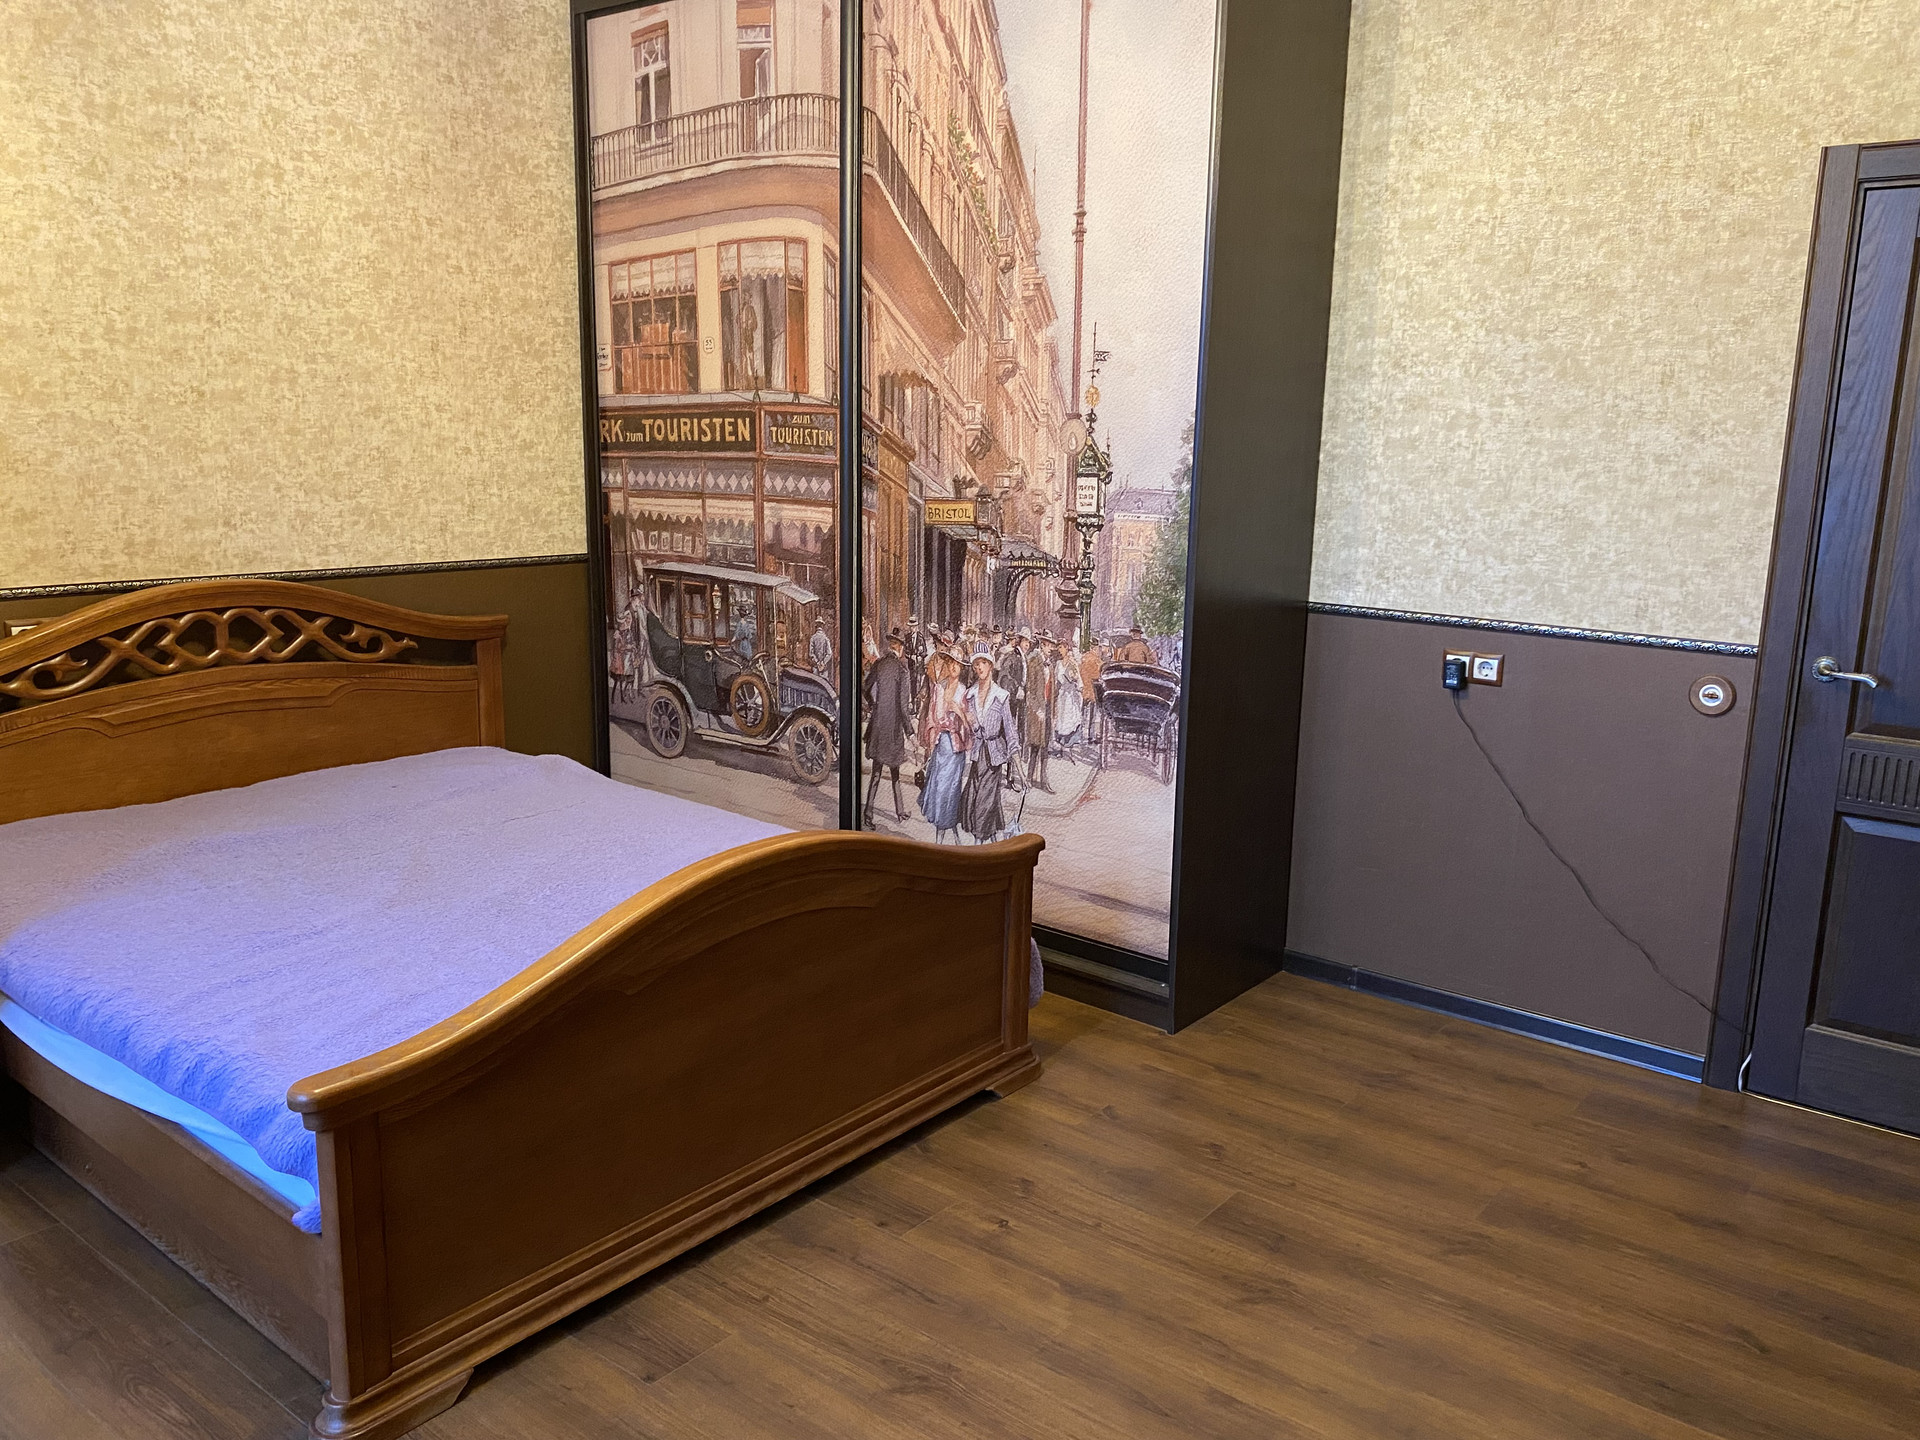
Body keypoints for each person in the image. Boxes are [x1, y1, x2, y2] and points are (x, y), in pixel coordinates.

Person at [960, 652, 1017, 843]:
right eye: (976, 664)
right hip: (978, 755)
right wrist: (970, 722)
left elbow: (1010, 731)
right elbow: (971, 729)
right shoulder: (970, 695)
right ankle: (993, 842)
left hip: (994, 756)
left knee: (983, 802)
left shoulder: (1001, 696)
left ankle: (978, 846)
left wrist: (1019, 768)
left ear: (990, 665)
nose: (979, 668)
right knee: (977, 799)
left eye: (983, 663)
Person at [863, 630, 915, 824]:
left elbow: (865, 687)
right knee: (894, 772)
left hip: (878, 726)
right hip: (893, 729)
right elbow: (903, 707)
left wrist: (872, 705)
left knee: (876, 772)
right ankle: (899, 812)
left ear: (890, 646)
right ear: (900, 648)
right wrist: (910, 732)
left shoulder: (879, 664)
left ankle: (869, 814)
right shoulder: (902, 670)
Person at [918, 653, 970, 843]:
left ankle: (949, 833)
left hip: (956, 749)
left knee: (952, 791)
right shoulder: (939, 688)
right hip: (941, 747)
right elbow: (932, 718)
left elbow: (969, 725)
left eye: (957, 664)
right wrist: (931, 744)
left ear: (962, 668)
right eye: (950, 662)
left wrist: (959, 712)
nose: (954, 667)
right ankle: (943, 834)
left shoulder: (964, 692)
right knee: (939, 789)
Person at [1023, 630, 1053, 792]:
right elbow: (1030, 690)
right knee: (1035, 744)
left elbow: (1052, 690)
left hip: (1047, 708)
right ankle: (1029, 778)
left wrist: (1051, 711)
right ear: (1042, 645)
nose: (1051, 648)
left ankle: (1044, 780)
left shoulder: (1050, 664)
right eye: (1048, 645)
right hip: (1036, 710)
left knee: (1045, 745)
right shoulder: (1034, 662)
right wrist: (1037, 710)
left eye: (1051, 646)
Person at [1052, 638, 1083, 756]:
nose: (1059, 650)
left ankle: (1067, 744)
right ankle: (1059, 745)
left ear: (1066, 648)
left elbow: (1078, 680)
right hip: (1062, 694)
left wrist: (1074, 679)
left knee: (1069, 718)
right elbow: (1056, 679)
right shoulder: (1058, 664)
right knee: (1060, 718)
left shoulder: (1072, 662)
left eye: (1061, 647)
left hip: (1070, 694)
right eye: (1058, 648)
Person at [1080, 636, 1105, 745]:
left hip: (1085, 690)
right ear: (1095, 648)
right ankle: (1090, 736)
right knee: (1092, 715)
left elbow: (1081, 672)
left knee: (1084, 714)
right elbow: (1100, 675)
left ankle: (1082, 735)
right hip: (1093, 691)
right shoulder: (1097, 661)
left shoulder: (1084, 658)